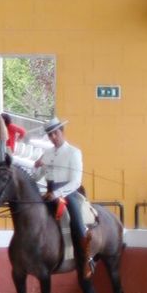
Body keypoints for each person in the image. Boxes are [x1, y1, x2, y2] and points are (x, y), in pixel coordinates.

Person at [33, 117, 90, 278]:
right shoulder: (47, 153)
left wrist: (57, 194)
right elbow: (37, 177)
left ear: (62, 132)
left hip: (68, 193)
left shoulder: (73, 152)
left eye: (55, 133)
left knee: (77, 223)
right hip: (49, 193)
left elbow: (76, 181)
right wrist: (36, 166)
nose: (52, 138)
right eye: (50, 135)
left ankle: (86, 260)